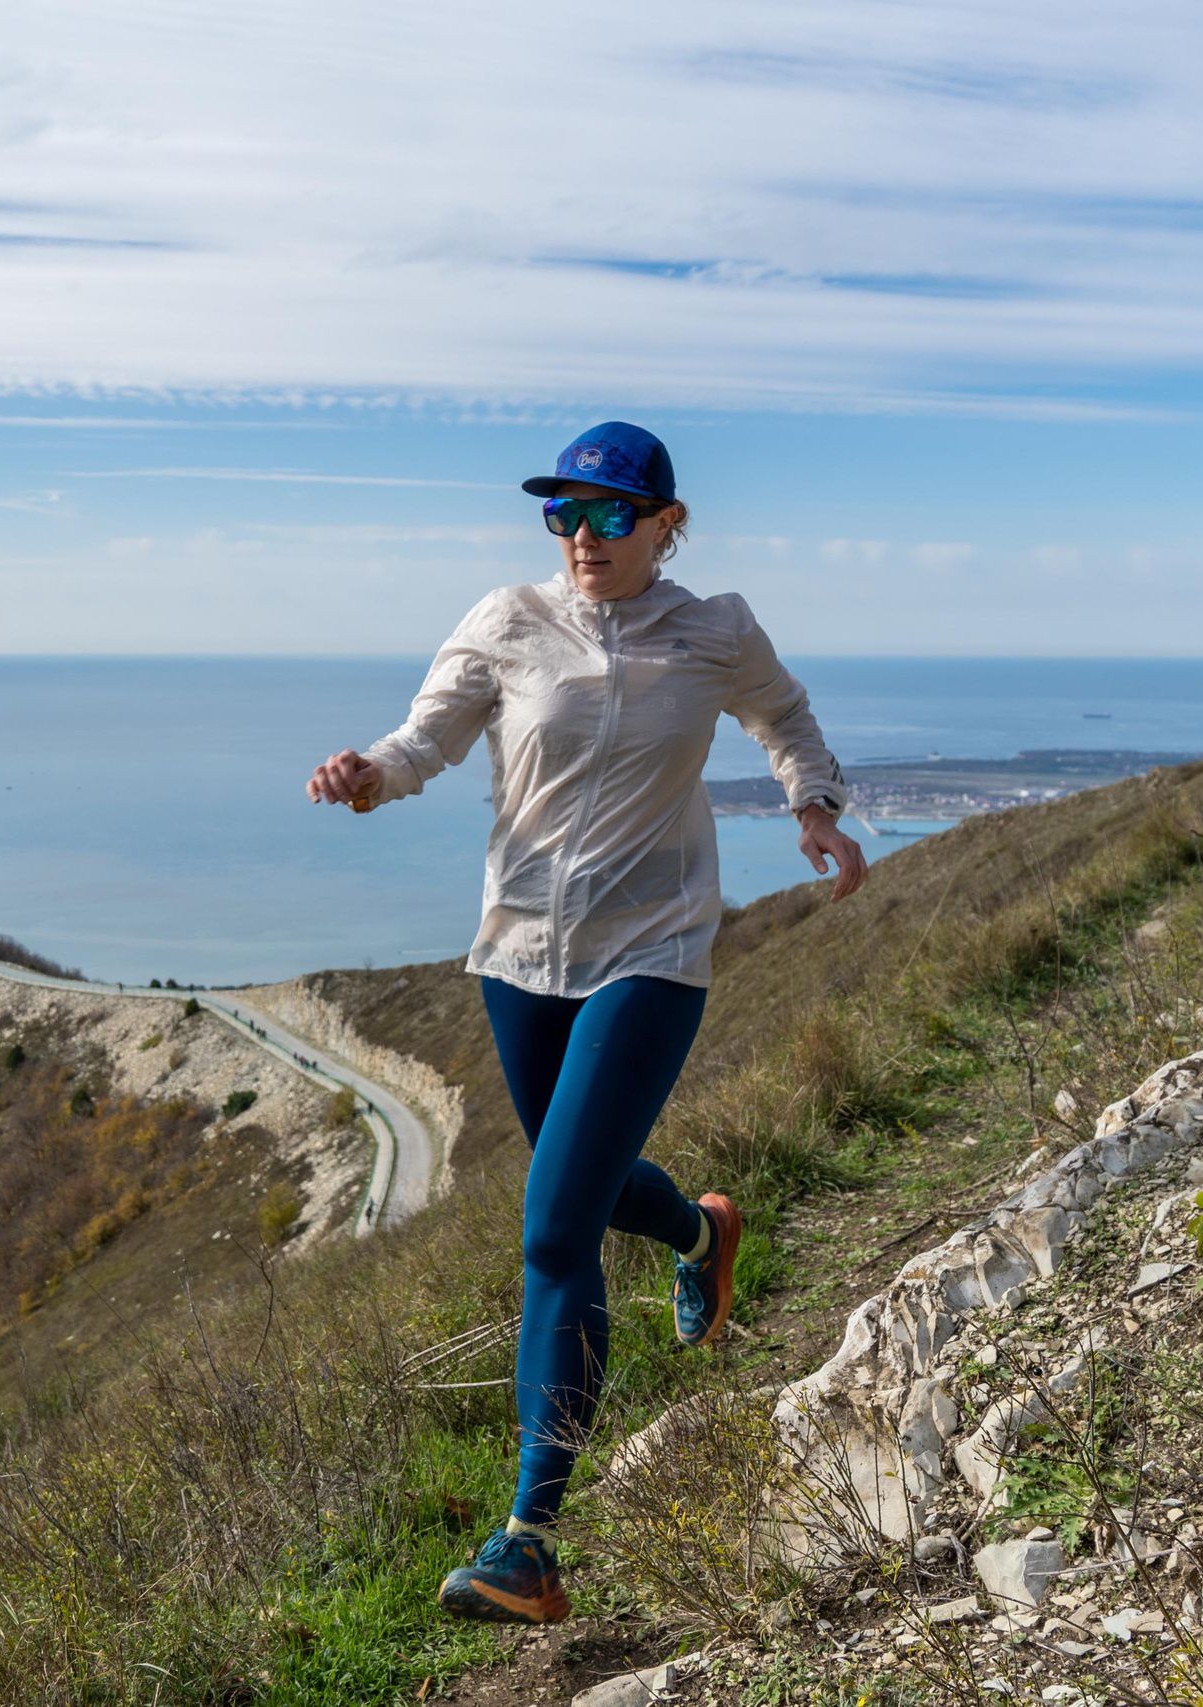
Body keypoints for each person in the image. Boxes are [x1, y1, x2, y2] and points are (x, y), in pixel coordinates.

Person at [305, 421, 868, 1624]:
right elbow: (427, 741)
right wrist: (369, 776)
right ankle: (698, 1234)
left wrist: (812, 807)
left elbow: (787, 719)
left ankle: (530, 1541)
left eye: (610, 515)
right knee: (598, 1184)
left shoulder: (714, 629)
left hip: (651, 953)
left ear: (666, 524)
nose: (581, 537)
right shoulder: (507, 619)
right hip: (516, 954)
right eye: (563, 513)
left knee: (553, 1229)